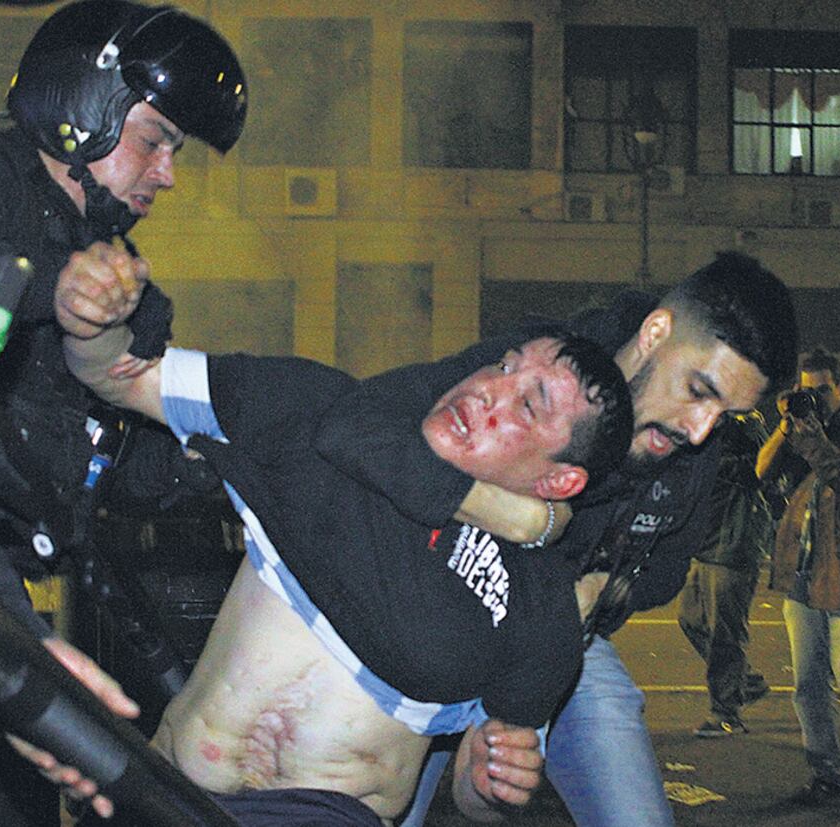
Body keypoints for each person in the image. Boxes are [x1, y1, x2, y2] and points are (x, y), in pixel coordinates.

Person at [54, 242, 635, 825]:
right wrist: (91, 322)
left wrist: (490, 779)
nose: (487, 388)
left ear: (560, 479)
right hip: (168, 795)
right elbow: (123, 376)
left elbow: (474, 794)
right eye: (504, 366)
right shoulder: (320, 414)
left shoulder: (541, 609)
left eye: (528, 405)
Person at [0, 1, 246, 823]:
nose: (167, 173)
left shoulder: (131, 286)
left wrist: (236, 464)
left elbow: (119, 465)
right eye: (153, 138)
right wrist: (52, 293)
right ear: (82, 107)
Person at [311, 251, 799, 827]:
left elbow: (666, 571)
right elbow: (354, 426)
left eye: (727, 412)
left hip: (564, 650)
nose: (700, 429)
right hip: (439, 616)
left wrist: (602, 591)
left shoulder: (691, 452)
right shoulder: (540, 364)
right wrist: (518, 517)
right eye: (698, 390)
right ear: (656, 332)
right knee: (381, 813)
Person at [756, 346, 840, 819]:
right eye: (805, 391)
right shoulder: (803, 423)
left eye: (820, 391)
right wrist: (786, 425)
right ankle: (825, 772)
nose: (813, 398)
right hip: (801, 568)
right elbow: (763, 471)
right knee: (808, 681)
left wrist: (813, 439)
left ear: (839, 386)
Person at [677, 409, 774, 738]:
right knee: (690, 619)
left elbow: (761, 471)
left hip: (732, 544)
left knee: (725, 635)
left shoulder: (744, 426)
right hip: (707, 542)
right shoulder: (700, 430)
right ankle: (743, 682)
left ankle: (726, 712)